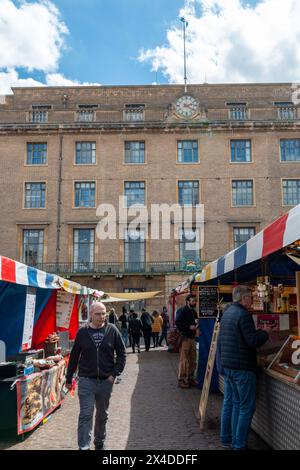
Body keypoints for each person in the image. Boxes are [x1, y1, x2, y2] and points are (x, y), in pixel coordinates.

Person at [66, 302, 126, 451]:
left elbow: (122, 354)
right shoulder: (83, 333)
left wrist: (114, 374)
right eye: (98, 314)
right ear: (91, 314)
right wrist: (69, 378)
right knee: (86, 414)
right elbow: (74, 357)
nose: (102, 317)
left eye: (104, 313)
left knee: (102, 415)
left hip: (106, 381)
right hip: (86, 379)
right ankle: (84, 446)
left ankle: (99, 441)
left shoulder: (112, 330)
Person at [219, 285, 271, 451]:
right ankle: (239, 444)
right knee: (246, 407)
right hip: (242, 368)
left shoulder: (227, 313)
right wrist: (265, 332)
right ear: (244, 298)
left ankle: (233, 441)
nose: (252, 301)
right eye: (251, 297)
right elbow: (252, 341)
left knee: (236, 404)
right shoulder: (243, 314)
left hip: (229, 366)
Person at [175, 294, 198, 389]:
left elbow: (196, 322)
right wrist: (189, 326)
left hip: (193, 338)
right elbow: (178, 322)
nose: (194, 302)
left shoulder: (194, 312)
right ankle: (182, 379)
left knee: (193, 360)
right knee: (184, 361)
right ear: (188, 301)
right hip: (185, 338)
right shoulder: (182, 310)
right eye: (192, 301)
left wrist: (197, 326)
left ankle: (190, 378)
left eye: (194, 301)